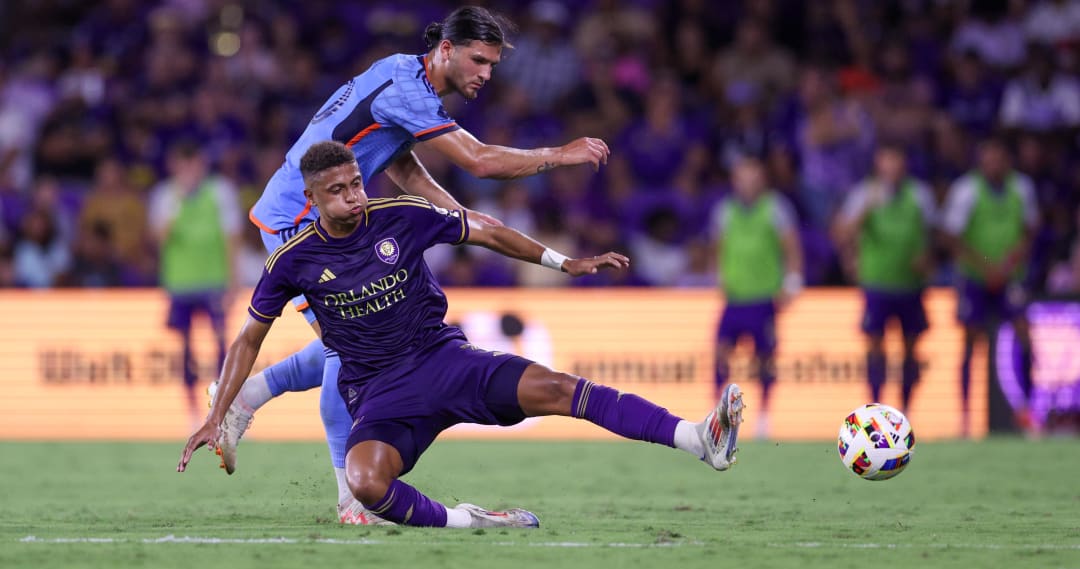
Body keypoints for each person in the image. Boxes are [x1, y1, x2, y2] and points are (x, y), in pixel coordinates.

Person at [178, 141, 744, 528]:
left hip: (443, 360)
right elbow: (248, 339)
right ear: (313, 200)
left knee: (558, 388)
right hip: (379, 395)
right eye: (338, 190)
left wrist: (562, 262)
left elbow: (486, 231)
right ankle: (469, 520)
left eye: (356, 183)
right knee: (366, 482)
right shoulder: (293, 261)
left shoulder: (401, 214)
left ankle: (699, 439)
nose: (353, 196)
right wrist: (216, 413)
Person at [210, 6, 611, 525]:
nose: (485, 74)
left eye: (492, 64)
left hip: (309, 210)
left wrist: (458, 219)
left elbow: (398, 161)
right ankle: (350, 500)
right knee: (349, 350)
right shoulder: (408, 90)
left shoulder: (401, 71)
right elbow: (482, 161)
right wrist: (560, 153)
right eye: (478, 60)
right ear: (446, 49)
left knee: (351, 337)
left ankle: (247, 396)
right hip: (304, 218)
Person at [941, 138, 1038, 437]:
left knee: (1024, 335)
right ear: (981, 161)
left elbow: (1030, 229)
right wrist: (986, 265)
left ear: (1007, 160)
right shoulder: (966, 190)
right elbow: (952, 237)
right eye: (988, 158)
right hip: (975, 276)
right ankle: (966, 416)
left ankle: (1027, 410)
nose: (994, 164)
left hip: (1010, 275)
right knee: (971, 341)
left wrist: (1009, 263)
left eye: (999, 158)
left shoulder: (1021, 187)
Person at [835, 143, 936, 413]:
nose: (891, 165)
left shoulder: (919, 195)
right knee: (875, 346)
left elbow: (933, 235)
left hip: (910, 284)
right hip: (877, 284)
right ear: (878, 163)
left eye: (896, 159)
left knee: (910, 349)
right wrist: (866, 209)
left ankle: (906, 409)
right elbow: (843, 233)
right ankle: (875, 406)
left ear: (904, 163)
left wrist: (926, 258)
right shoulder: (865, 193)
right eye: (886, 159)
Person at [149, 140, 242, 427]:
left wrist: (234, 281)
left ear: (202, 165)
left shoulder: (220, 191)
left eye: (194, 164)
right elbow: (160, 238)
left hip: (214, 282)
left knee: (221, 349)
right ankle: (191, 414)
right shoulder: (166, 195)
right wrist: (179, 199)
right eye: (183, 165)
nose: (189, 171)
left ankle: (223, 413)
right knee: (186, 350)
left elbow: (232, 238)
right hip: (181, 285)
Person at [710, 156, 802, 439]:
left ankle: (763, 416)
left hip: (764, 298)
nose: (747, 184)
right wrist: (719, 276)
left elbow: (791, 247)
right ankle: (719, 414)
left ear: (762, 180)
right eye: (741, 178)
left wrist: (793, 281)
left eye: (752, 177)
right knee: (720, 353)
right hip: (735, 298)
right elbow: (718, 247)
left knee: (764, 359)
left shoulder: (776, 208)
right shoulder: (725, 210)